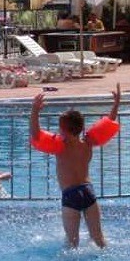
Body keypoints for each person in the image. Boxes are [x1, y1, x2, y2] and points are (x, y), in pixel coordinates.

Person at [30, 83, 121, 249]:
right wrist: (116, 105)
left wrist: (35, 111)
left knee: (72, 243)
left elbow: (36, 135)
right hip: (88, 191)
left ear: (63, 129)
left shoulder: (60, 146)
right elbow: (109, 123)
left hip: (70, 195)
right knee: (99, 239)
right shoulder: (88, 143)